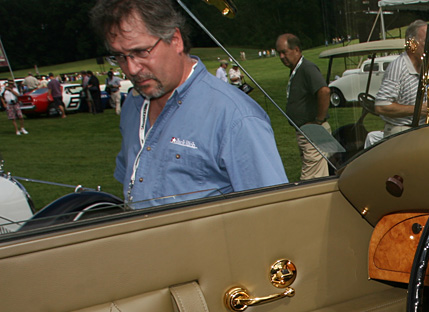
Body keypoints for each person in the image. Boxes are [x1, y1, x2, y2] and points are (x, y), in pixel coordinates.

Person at [89, 0, 287, 209]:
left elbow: (273, 213)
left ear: (175, 40)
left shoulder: (235, 117)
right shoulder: (133, 104)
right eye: (120, 56)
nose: (131, 68)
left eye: (141, 52)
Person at [275, 33, 332, 180]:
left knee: (309, 180)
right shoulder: (296, 70)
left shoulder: (307, 68)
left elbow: (324, 91)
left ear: (296, 50)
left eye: (284, 52)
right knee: (319, 176)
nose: (281, 57)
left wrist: (318, 121)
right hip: (305, 132)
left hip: (313, 132)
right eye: (279, 53)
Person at [374, 20, 429, 139]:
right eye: (428, 41)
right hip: (401, 132)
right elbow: (381, 106)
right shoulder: (399, 67)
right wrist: (418, 110)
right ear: (412, 44)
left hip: (418, 129)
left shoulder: (423, 66)